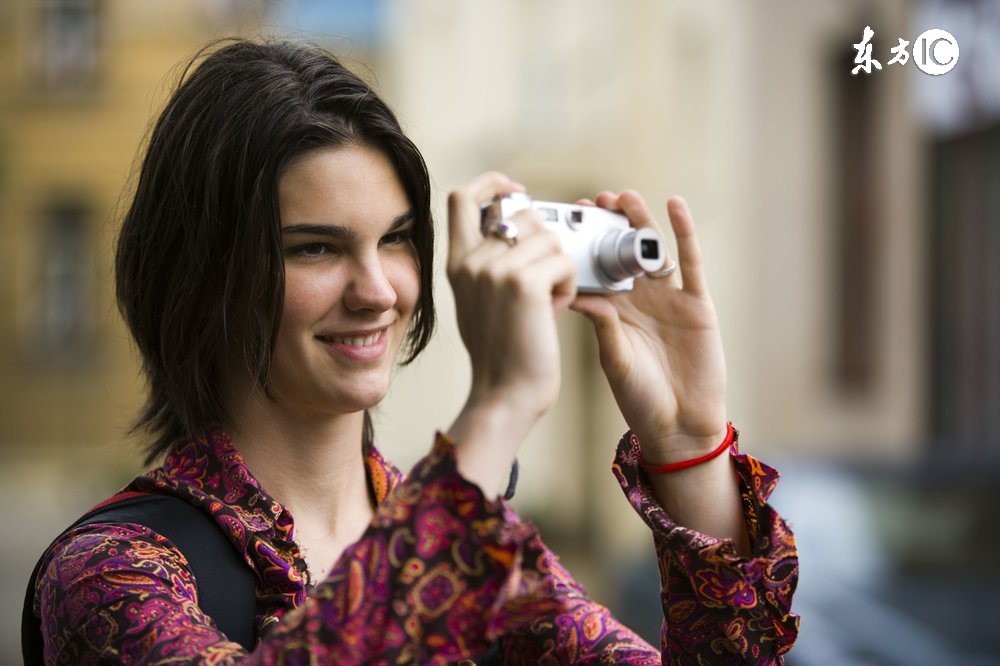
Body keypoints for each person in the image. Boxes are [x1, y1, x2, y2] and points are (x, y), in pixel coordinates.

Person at [25, 38, 799, 664]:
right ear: (201, 273)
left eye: (396, 240)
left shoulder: (482, 553)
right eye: (315, 249)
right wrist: (497, 407)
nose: (378, 291)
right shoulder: (112, 574)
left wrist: (690, 450)